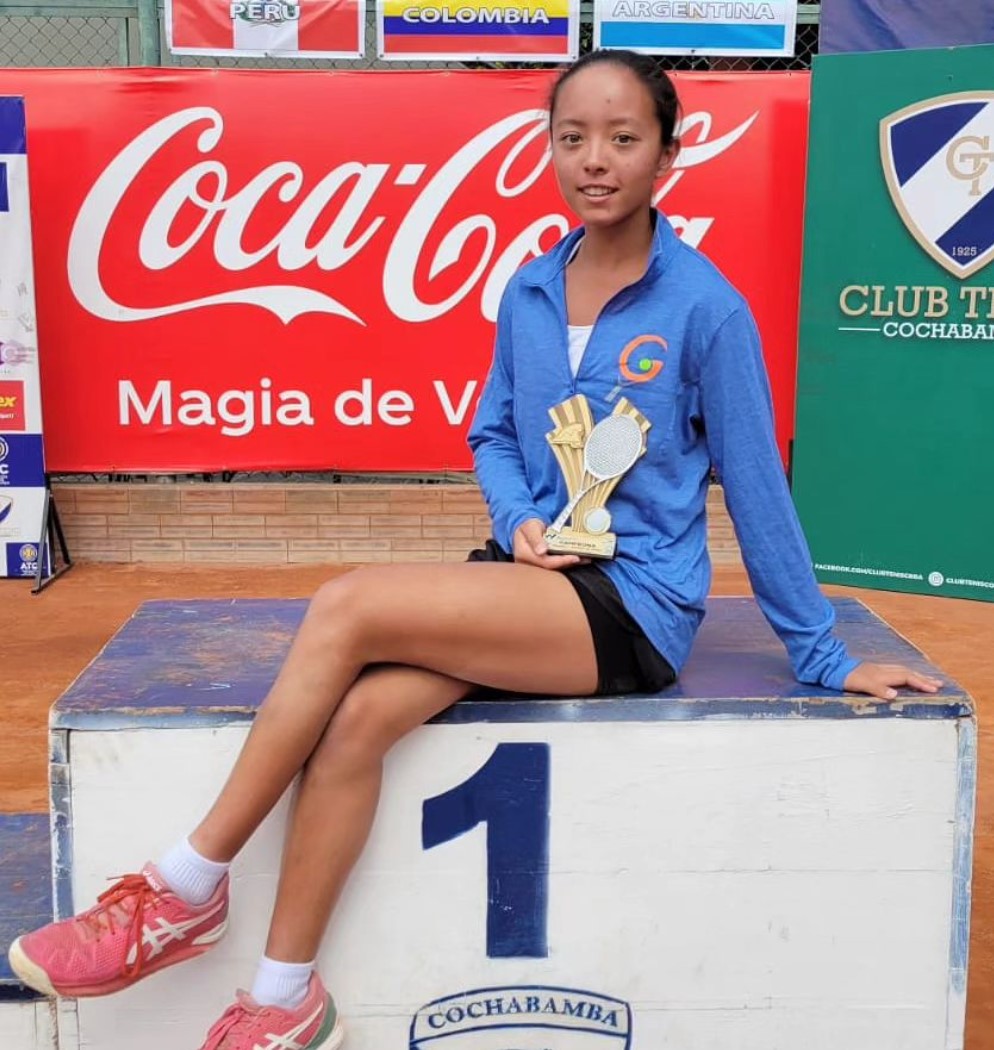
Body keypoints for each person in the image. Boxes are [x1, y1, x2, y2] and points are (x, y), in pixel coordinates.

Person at [7, 49, 941, 1050]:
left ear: (668, 155)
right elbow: (492, 433)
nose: (595, 159)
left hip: (633, 608)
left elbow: (756, 487)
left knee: (348, 605)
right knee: (359, 717)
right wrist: (514, 521)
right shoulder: (531, 290)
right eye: (571, 136)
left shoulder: (704, 308)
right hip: (528, 579)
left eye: (623, 138)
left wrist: (824, 652)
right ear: (548, 147)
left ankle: (182, 889)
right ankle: (282, 999)